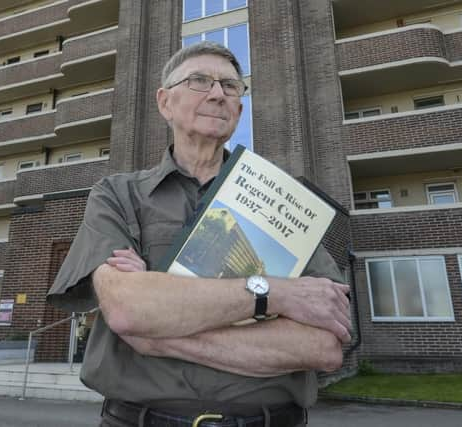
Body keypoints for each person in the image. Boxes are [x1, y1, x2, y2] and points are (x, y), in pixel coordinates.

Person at [47, 41, 351, 427]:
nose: (217, 94)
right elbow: (128, 308)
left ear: (239, 109)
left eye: (231, 86)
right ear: (165, 103)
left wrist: (157, 334)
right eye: (199, 80)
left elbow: (323, 346)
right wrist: (277, 293)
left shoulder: (282, 203)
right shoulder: (117, 195)